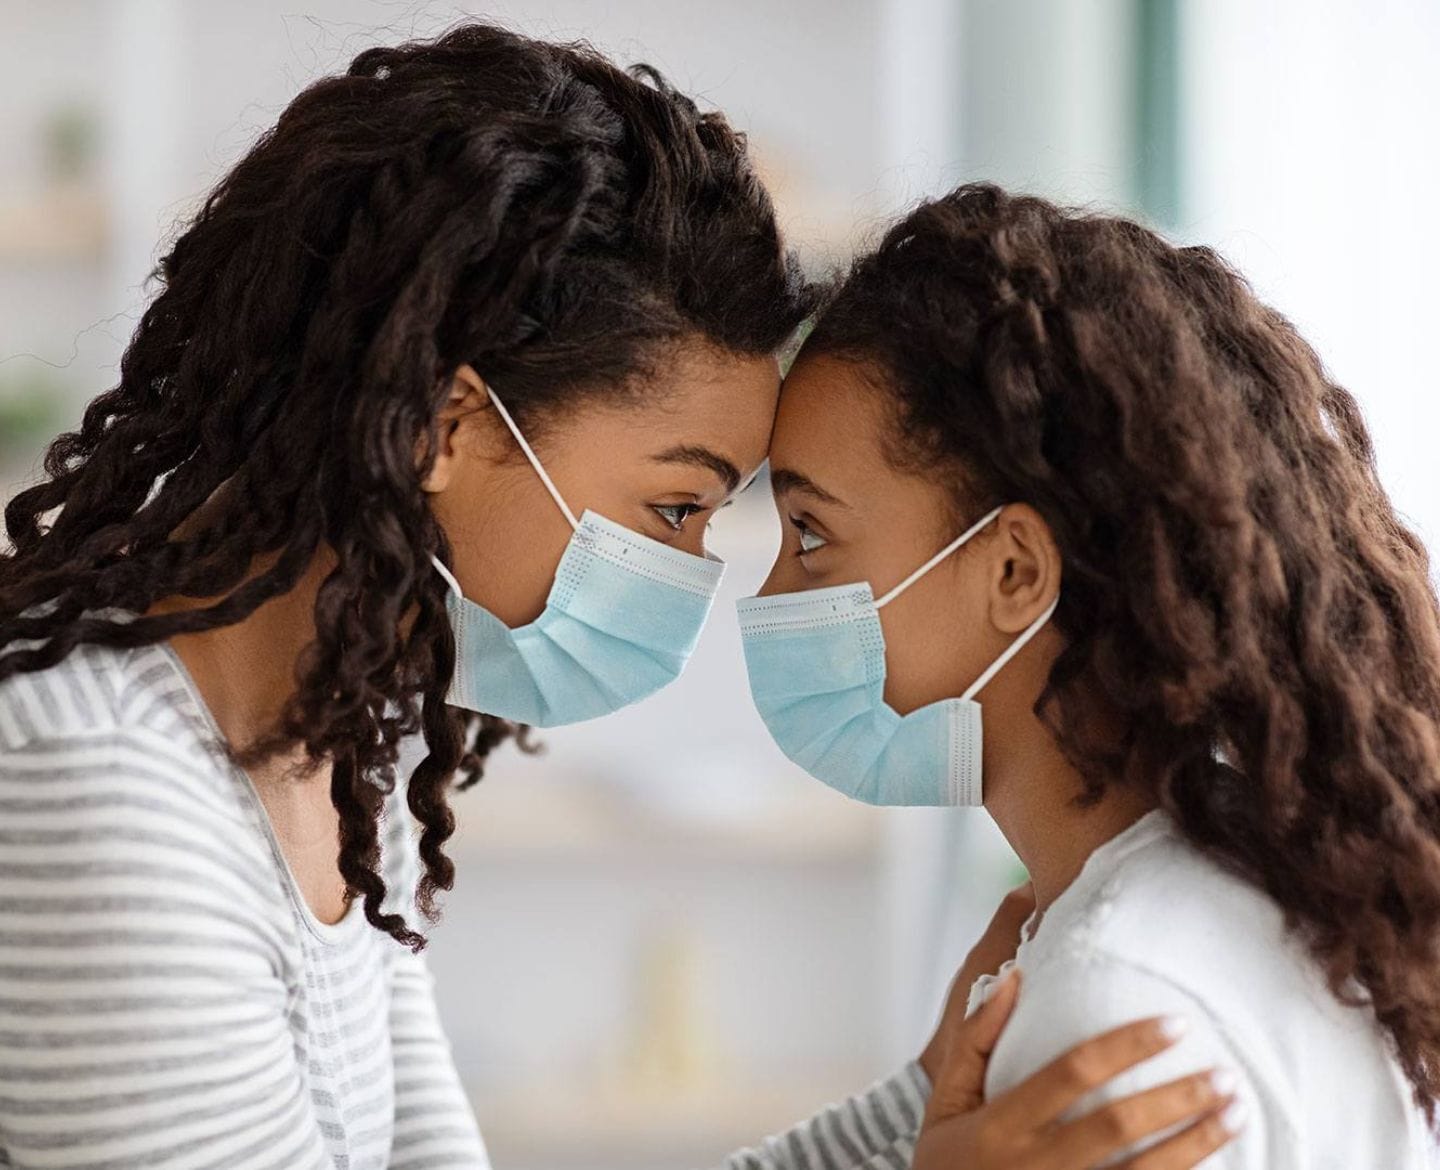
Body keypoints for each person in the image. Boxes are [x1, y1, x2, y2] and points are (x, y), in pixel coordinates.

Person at [0, 24, 1233, 1169]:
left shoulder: (327, 747)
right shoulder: (103, 786)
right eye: (677, 509)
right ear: (448, 424)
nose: (699, 577)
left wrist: (918, 1112)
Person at [739, 181, 1440, 1167]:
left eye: (811, 534)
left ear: (1016, 572)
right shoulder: (1262, 896)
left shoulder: (1111, 1002)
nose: (769, 596)